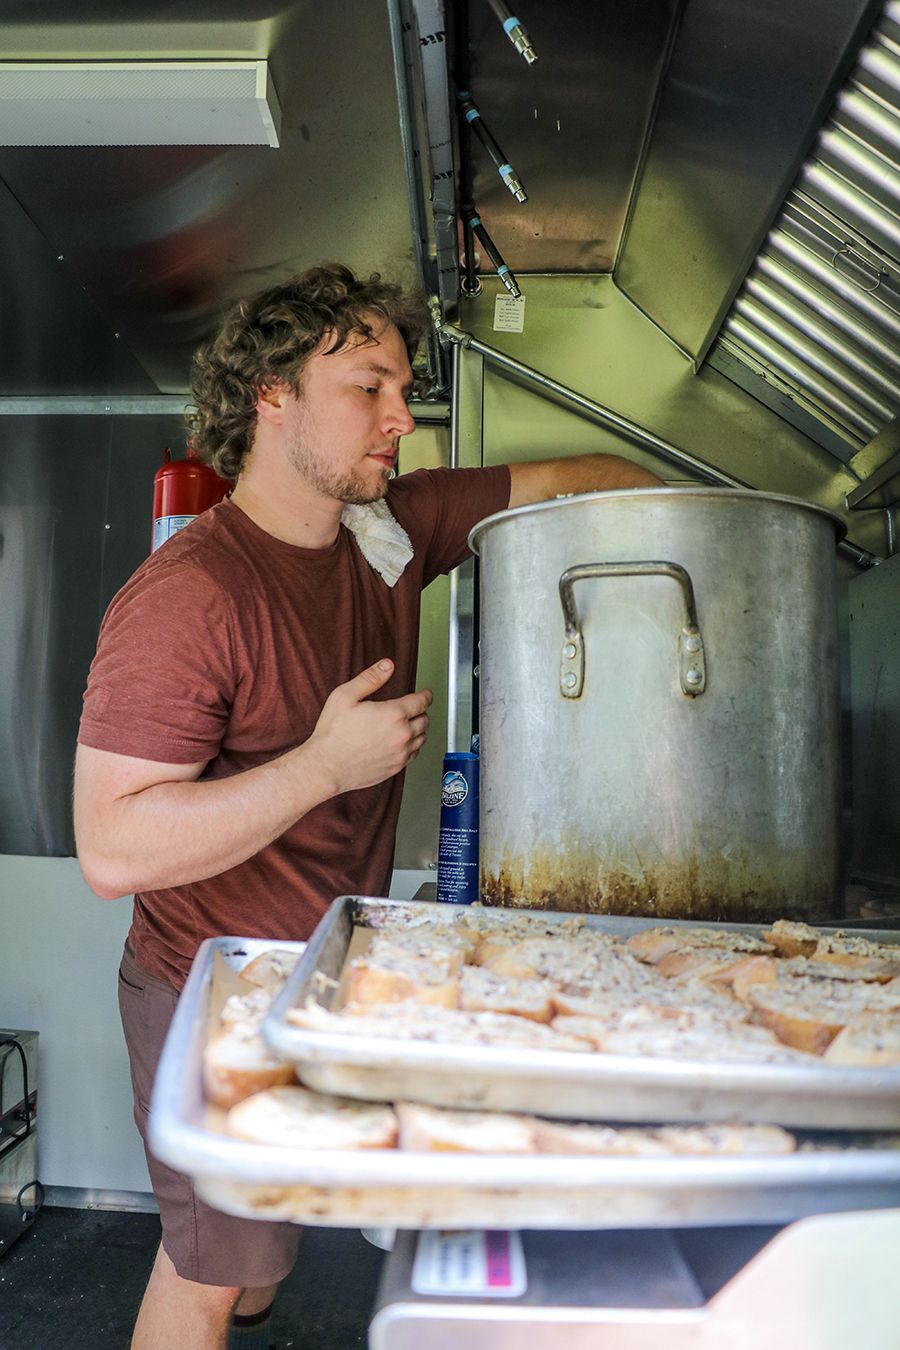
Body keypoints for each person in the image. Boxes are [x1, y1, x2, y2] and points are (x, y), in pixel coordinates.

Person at [73, 262, 662, 1350]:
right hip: (212, 989)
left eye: (406, 388)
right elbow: (111, 847)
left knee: (256, 1267)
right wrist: (320, 767)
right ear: (273, 395)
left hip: (321, 976)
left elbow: (579, 475)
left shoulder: (386, 530)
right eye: (370, 388)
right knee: (210, 1272)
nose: (403, 418)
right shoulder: (188, 597)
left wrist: (699, 532)